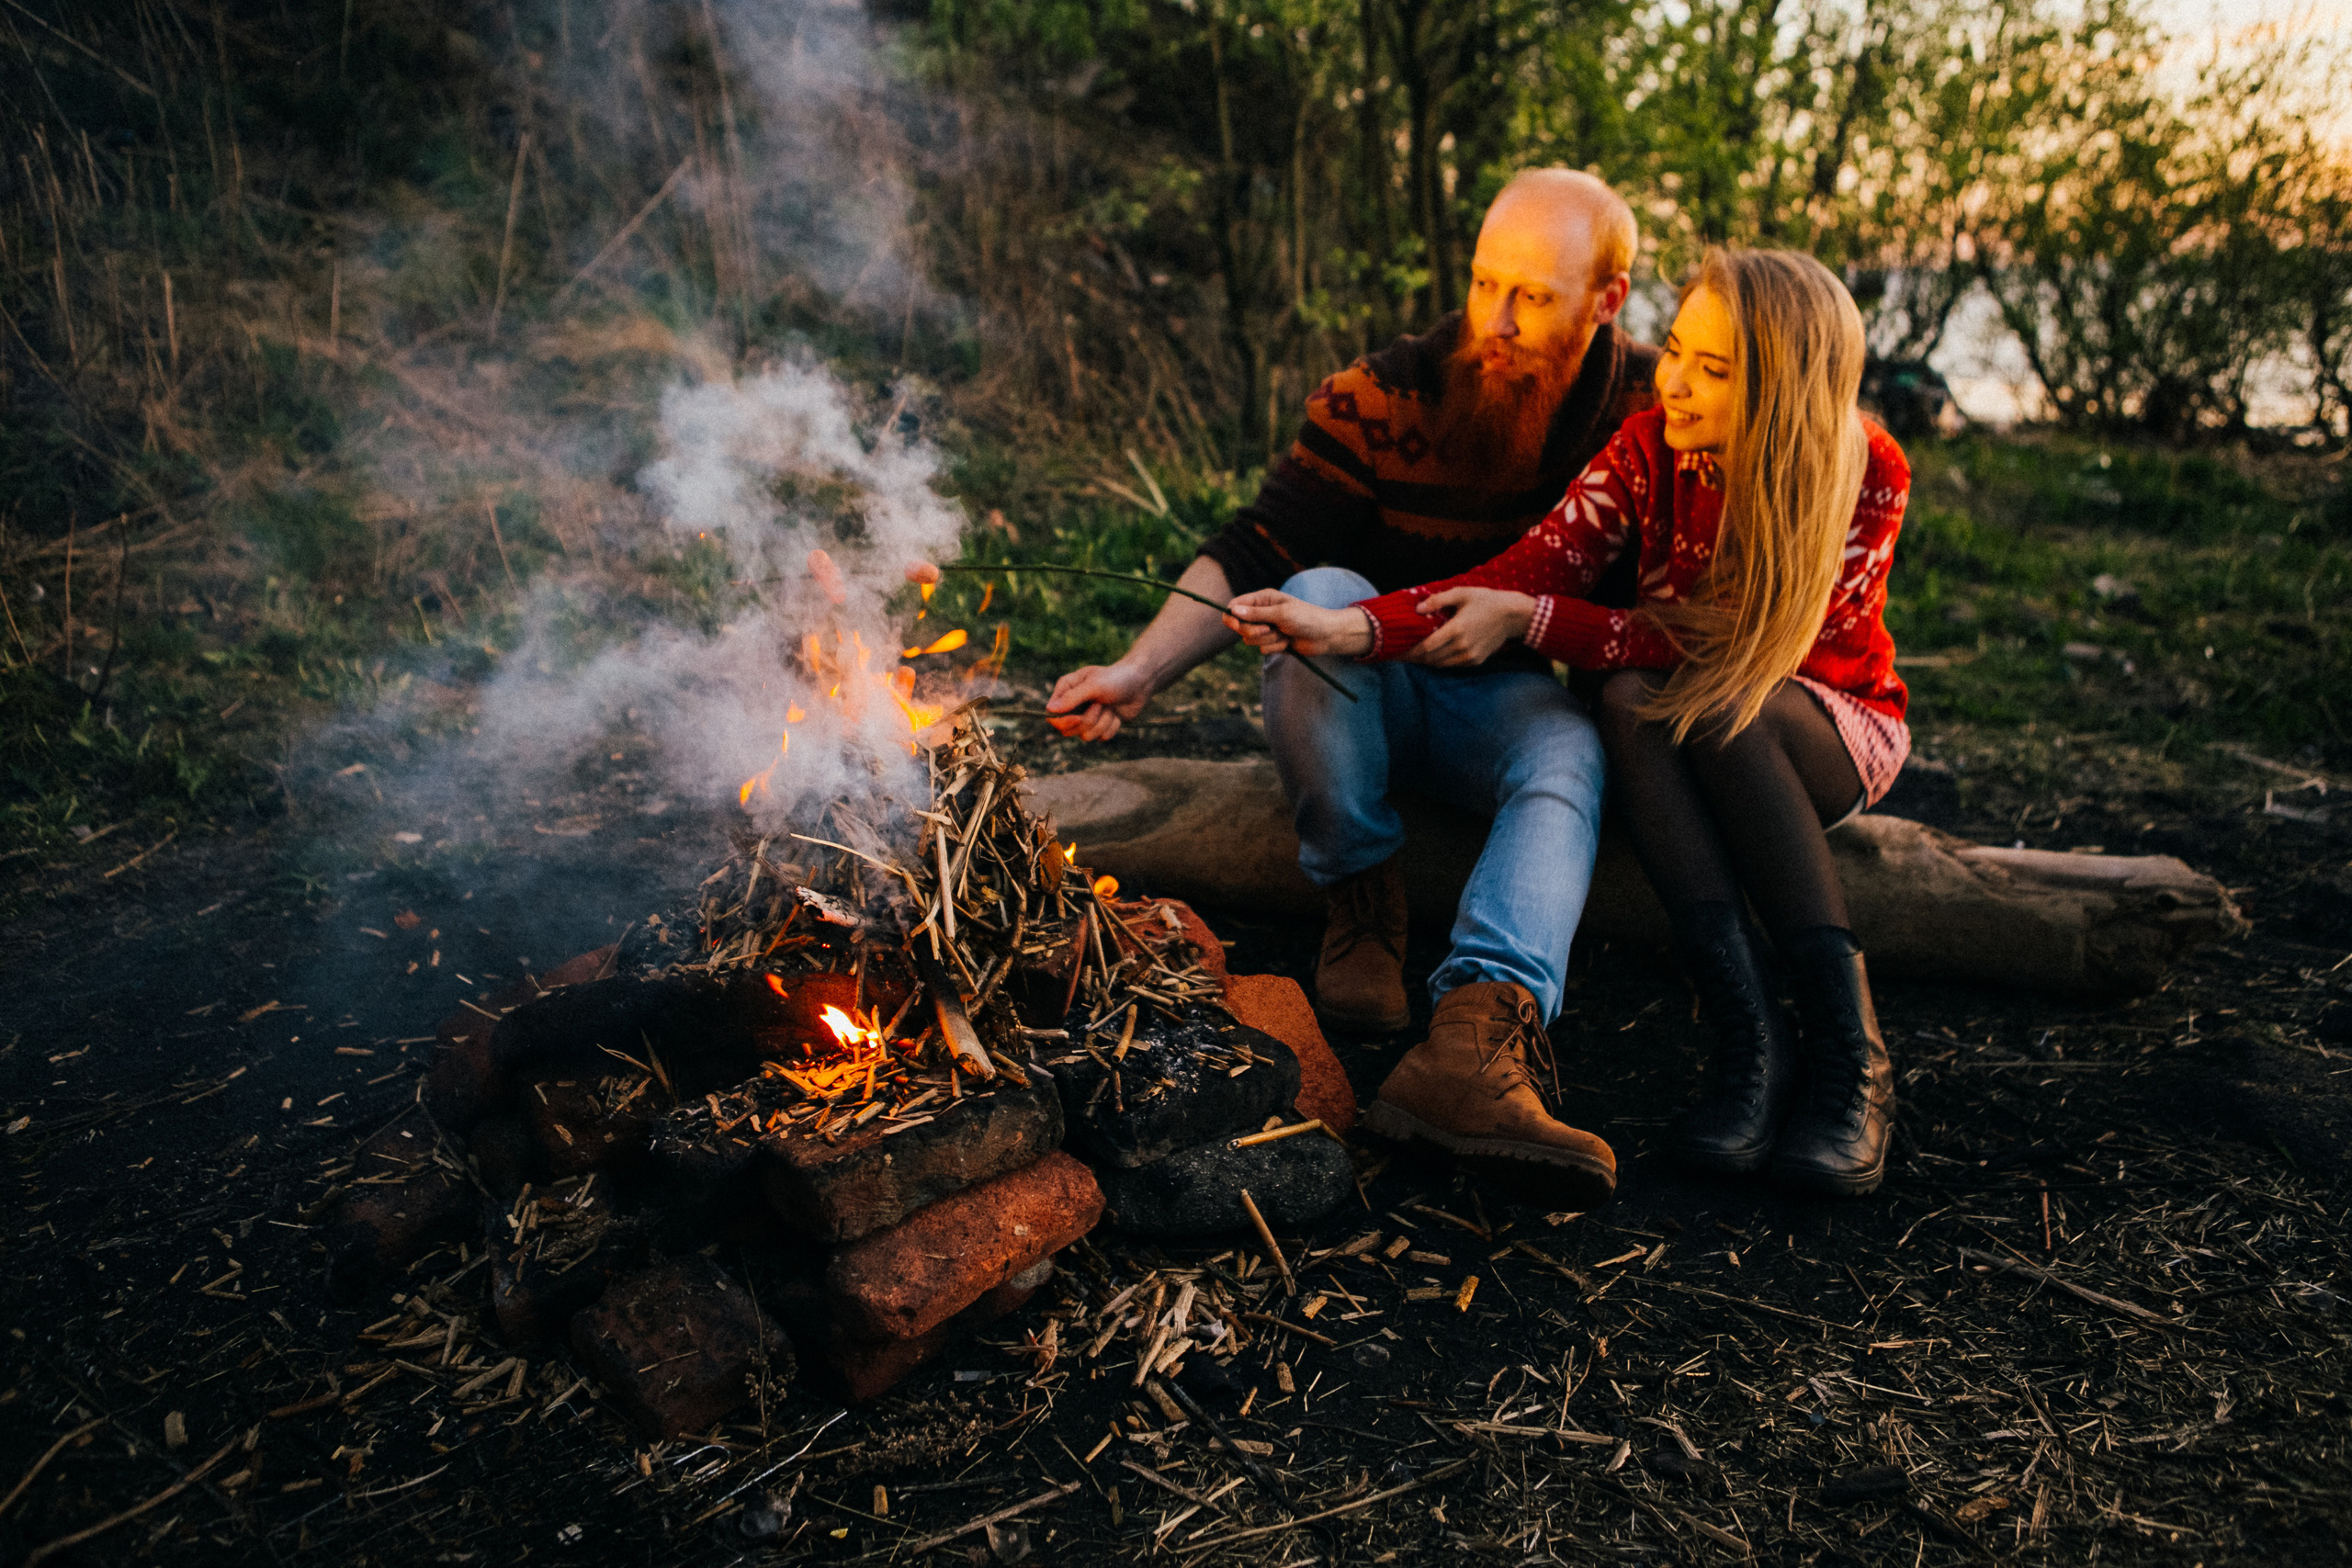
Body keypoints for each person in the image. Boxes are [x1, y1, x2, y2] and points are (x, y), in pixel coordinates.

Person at [1224, 248, 1909, 1197]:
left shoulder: (1862, 468)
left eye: (1712, 370)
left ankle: (1852, 1062)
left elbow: (1739, 646)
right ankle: (1752, 1044)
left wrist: (1538, 623)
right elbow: (1521, 575)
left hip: (1819, 725)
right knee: (1625, 699)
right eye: (1675, 350)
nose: (1672, 381)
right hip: (1688, 718)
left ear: (1785, 389)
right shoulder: (1647, 449)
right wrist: (1352, 628)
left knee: (1719, 703)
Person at [1046, 169, 1655, 1211]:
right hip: (1355, 693)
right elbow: (1257, 545)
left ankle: (1479, 1033)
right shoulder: (1382, 396)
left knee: (1569, 751)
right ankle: (1362, 899)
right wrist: (1139, 669)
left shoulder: (1648, 410)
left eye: (1534, 297)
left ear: (1608, 299)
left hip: (1501, 703)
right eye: (1484, 284)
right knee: (1320, 588)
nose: (1498, 321)